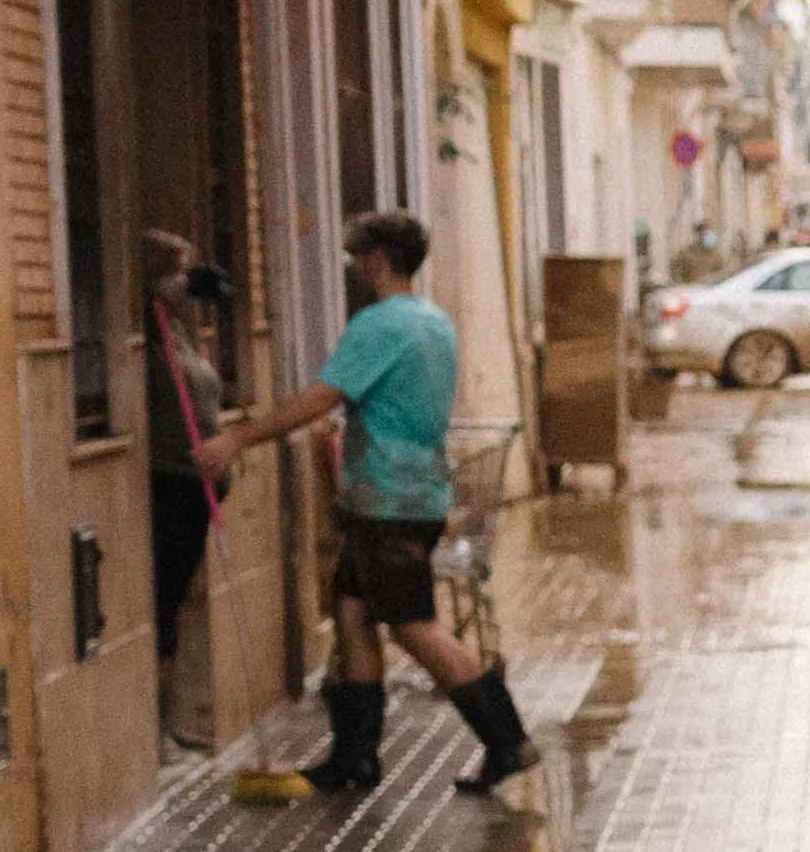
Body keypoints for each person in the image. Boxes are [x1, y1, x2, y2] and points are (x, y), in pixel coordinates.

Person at [220, 209, 531, 799]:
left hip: (391, 498)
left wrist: (239, 437)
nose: (354, 269)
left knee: (415, 627)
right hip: (403, 493)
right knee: (354, 614)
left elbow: (322, 396)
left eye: (357, 258)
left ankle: (507, 738)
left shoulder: (379, 324)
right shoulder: (433, 322)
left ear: (378, 260)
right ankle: (354, 758)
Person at [135, 233, 236, 742]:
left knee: (177, 597)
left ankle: (171, 716)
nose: (184, 279)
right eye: (175, 269)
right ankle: (159, 722)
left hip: (199, 485)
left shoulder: (181, 332)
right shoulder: (146, 330)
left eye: (186, 268)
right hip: (170, 483)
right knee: (166, 599)